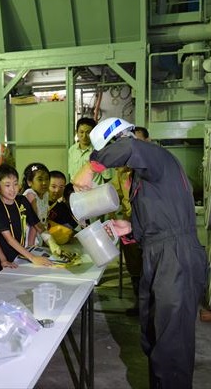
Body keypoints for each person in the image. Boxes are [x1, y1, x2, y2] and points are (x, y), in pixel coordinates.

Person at [72, 117, 207, 389]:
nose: (120, 165)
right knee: (152, 336)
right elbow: (158, 218)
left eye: (111, 150)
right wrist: (130, 229)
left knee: (172, 347)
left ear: (120, 139)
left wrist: (90, 168)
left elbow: (131, 149)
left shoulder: (155, 156)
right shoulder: (144, 176)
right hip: (158, 254)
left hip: (175, 256)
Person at [109, 125, 150, 316]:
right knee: (134, 264)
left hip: (151, 223)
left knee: (150, 265)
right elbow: (114, 194)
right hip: (129, 221)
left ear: (148, 143)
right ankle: (140, 303)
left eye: (139, 143)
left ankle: (153, 305)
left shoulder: (154, 168)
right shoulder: (123, 171)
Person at [0, 164, 58, 270]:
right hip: (5, 261)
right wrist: (33, 258)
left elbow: (37, 224)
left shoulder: (22, 200)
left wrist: (51, 241)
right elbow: (9, 239)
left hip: (22, 255)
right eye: (7, 185)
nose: (12, 189)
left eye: (15, 184)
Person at [68, 117, 112, 185]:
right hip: (77, 192)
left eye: (88, 132)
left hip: (94, 192)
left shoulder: (100, 151)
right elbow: (71, 175)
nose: (84, 136)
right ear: (76, 132)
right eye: (81, 132)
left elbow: (107, 177)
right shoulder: (72, 150)